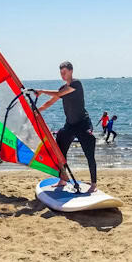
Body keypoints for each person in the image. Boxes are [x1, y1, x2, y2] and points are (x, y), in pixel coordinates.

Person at [34, 61, 99, 193]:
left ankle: (93, 184)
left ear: (71, 71)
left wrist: (41, 91)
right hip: (70, 125)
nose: (62, 75)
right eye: (61, 73)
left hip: (83, 123)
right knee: (60, 148)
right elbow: (50, 102)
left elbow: (57, 95)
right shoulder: (62, 88)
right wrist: (37, 111)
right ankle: (63, 179)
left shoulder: (76, 84)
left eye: (64, 72)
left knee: (89, 154)